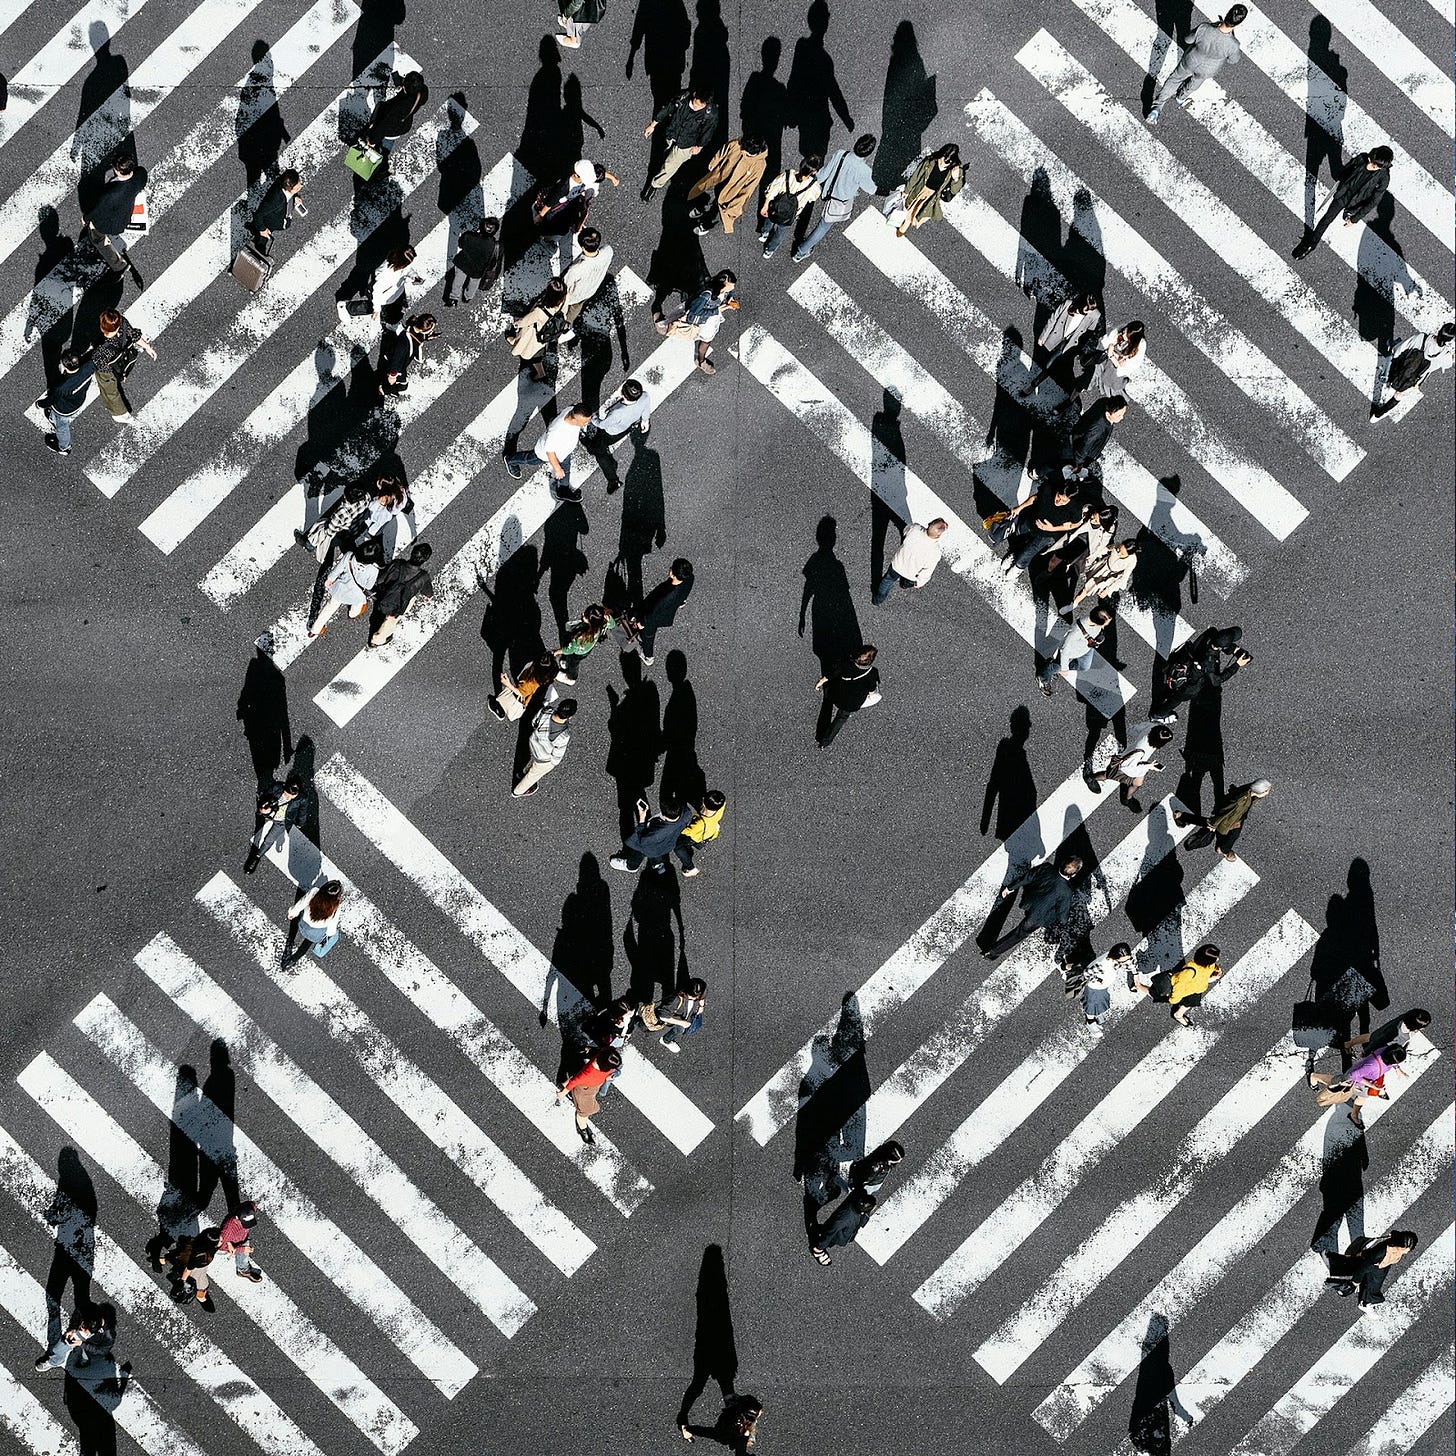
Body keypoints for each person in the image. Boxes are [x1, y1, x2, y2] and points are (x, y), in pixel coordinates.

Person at [1147, 6, 1246, 124]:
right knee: (1194, 83)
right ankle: (1181, 97)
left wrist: (1213, 25)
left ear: (1226, 15)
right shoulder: (1233, 45)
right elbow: (1233, 60)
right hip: (1207, 70)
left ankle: (1157, 107)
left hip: (1191, 60)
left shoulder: (1205, 28)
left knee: (1175, 79)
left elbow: (1188, 39)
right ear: (1237, 24)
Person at [1293, 146, 1394, 260]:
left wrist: (1355, 219)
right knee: (1327, 218)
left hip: (1357, 203)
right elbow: (1346, 169)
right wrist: (1341, 180)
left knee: (1348, 215)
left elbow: (1373, 202)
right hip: (1343, 196)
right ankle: (1311, 245)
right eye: (1370, 160)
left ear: (1382, 167)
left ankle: (1348, 213)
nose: (1369, 165)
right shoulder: (1362, 158)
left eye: (1374, 165)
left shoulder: (1384, 178)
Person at [982, 854, 1084, 962]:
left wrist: (1010, 888)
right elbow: (1062, 918)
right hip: (1038, 916)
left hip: (1030, 901)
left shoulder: (1046, 867)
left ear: (1062, 863)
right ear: (1073, 875)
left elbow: (1027, 877)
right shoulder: (1066, 892)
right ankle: (992, 952)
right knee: (1019, 934)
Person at [793, 133, 878, 262]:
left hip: (827, 192)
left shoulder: (841, 154)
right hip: (839, 202)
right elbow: (871, 190)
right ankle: (800, 252)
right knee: (823, 226)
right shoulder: (864, 170)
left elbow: (824, 174)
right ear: (868, 153)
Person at [1154, 625, 1251, 717]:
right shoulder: (1209, 663)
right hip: (1189, 685)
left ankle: (1163, 694)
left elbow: (1217, 643)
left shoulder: (1211, 632)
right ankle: (1159, 715)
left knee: (1170, 689)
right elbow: (1216, 680)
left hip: (1184, 662)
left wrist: (1233, 650)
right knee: (1175, 699)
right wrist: (1237, 664)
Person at [656, 270, 739, 375]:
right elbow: (693, 315)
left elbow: (727, 294)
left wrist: (728, 301)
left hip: (711, 319)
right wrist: (717, 311)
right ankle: (659, 318)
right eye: (730, 286)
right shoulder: (706, 295)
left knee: (707, 340)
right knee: (702, 338)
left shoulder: (724, 291)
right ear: (721, 285)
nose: (732, 288)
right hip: (702, 320)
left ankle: (701, 360)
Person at [505, 402, 592, 500]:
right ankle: (510, 460)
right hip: (543, 454)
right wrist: (557, 469)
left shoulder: (571, 409)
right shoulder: (557, 431)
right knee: (530, 459)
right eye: (584, 422)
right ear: (574, 419)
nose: (587, 423)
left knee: (566, 468)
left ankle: (563, 490)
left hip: (563, 451)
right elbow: (549, 451)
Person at [642, 87, 719, 197]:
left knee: (670, 166)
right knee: (663, 153)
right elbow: (667, 109)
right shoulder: (682, 98)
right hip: (672, 133)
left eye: (701, 106)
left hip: (687, 144)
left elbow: (708, 132)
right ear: (694, 94)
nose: (697, 108)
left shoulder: (711, 114)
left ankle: (655, 184)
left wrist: (699, 147)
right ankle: (660, 166)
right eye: (696, 103)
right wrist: (652, 125)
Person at [1310, 1042, 1409, 1126]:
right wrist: (1372, 1086)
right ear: (1390, 1060)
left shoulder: (1386, 1050)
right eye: (1397, 1063)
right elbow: (1353, 1075)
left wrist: (1397, 1069)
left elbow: (1392, 1060)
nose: (1397, 1064)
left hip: (1364, 1083)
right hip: (1353, 1081)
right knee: (1334, 1082)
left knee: (1363, 1097)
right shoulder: (1372, 1065)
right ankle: (1314, 1076)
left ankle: (1354, 1115)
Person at [1371, 322, 1455, 420]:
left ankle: (1389, 383)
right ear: (1449, 340)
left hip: (1400, 368)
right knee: (1399, 395)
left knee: (1392, 371)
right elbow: (1449, 363)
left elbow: (1398, 350)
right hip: (1414, 380)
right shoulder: (1445, 356)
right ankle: (1377, 416)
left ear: (1440, 330)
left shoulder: (1421, 338)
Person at [686, 134, 769, 234]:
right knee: (707, 192)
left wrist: (735, 205)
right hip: (720, 176)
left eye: (745, 151)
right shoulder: (738, 144)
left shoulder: (759, 165)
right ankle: (700, 208)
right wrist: (714, 162)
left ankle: (705, 225)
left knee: (719, 209)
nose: (741, 151)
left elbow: (749, 188)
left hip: (733, 190)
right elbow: (723, 150)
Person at [1023, 293, 1103, 393]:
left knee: (1049, 365)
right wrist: (1043, 335)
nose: (1089, 311)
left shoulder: (1095, 315)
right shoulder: (1068, 305)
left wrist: (1078, 350)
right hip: (1055, 337)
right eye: (1088, 308)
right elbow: (1053, 319)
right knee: (1045, 359)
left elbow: (1087, 335)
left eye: (1092, 309)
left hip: (1068, 345)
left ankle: (1034, 383)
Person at [1003, 476, 1086, 572]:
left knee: (1028, 552)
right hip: (1031, 521)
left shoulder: (1075, 508)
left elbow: (1074, 524)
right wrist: (1019, 508)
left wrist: (1052, 528)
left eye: (1064, 501)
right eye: (1059, 496)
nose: (1059, 502)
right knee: (1018, 537)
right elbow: (1034, 498)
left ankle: (1018, 567)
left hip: (1046, 535)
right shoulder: (1049, 488)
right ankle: (1014, 553)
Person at [81, 154, 146, 276]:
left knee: (98, 239)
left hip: (109, 224)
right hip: (124, 217)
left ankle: (118, 265)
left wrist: (86, 218)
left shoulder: (111, 194)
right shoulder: (140, 174)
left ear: (118, 171)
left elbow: (98, 211)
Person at [1323, 1230, 1419, 1311]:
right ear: (1399, 1246)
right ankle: (1365, 1303)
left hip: (1382, 1264)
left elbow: (1395, 1233)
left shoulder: (1396, 1243)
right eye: (1406, 1249)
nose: (1407, 1251)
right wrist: (1355, 1282)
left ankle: (1333, 1262)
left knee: (1372, 1279)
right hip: (1376, 1263)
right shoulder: (1380, 1252)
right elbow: (1364, 1267)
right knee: (1370, 1279)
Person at [1088, 721, 1175, 810]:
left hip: (1138, 763)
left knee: (1137, 784)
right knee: (1109, 775)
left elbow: (1133, 730)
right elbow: (1127, 767)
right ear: (1158, 743)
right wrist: (1149, 766)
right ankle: (1091, 778)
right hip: (1130, 767)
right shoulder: (1140, 751)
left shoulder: (1153, 727)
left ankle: (1127, 799)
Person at [1176, 778, 1270, 861]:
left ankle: (1181, 816)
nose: (1268, 793)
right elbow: (1225, 812)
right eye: (1266, 791)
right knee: (1224, 832)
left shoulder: (1250, 791)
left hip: (1237, 817)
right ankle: (1223, 849)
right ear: (1258, 792)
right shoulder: (1240, 801)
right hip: (1229, 819)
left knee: (1228, 833)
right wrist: (1214, 824)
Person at [309, 534, 383, 637]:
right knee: (358, 605)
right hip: (356, 595)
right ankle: (352, 614)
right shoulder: (374, 570)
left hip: (340, 589)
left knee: (329, 607)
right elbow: (369, 586)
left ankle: (315, 629)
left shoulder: (349, 556)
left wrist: (330, 579)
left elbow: (337, 570)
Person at [90, 308, 157, 422]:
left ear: (102, 328)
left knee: (110, 390)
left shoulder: (102, 348)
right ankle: (118, 411)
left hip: (107, 369)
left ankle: (119, 413)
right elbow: (134, 335)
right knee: (110, 389)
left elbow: (100, 364)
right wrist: (147, 347)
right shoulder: (123, 324)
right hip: (121, 361)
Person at [884, 142, 964, 236]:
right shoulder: (930, 161)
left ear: (951, 162)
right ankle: (902, 229)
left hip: (932, 196)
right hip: (920, 190)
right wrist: (907, 191)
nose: (941, 163)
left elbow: (954, 190)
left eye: (945, 163)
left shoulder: (955, 171)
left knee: (921, 212)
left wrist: (956, 179)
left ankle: (909, 224)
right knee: (909, 211)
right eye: (941, 159)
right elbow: (916, 175)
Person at [625, 558, 694, 665]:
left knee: (648, 637)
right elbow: (685, 593)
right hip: (663, 611)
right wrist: (680, 601)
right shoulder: (689, 578)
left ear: (673, 575)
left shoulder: (667, 597)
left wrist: (642, 623)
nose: (670, 568)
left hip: (654, 617)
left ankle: (648, 657)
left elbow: (653, 614)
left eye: (672, 568)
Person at [1137, 942, 1223, 1026]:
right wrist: (1173, 1000)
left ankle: (1178, 1015)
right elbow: (1178, 987)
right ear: (1206, 961)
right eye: (1215, 958)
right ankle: (1139, 986)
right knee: (1155, 993)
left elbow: (1204, 975)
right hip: (1183, 991)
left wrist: (1214, 975)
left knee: (1188, 1003)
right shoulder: (1189, 972)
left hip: (1194, 990)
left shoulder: (1209, 965)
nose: (1218, 959)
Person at [1039, 603, 1114, 697]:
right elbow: (1064, 651)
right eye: (1106, 623)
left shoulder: (1094, 619)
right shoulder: (1075, 633)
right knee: (1059, 667)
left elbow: (1101, 621)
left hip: (1086, 648)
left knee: (1084, 667)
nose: (1106, 625)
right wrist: (1065, 669)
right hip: (1071, 653)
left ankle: (1056, 667)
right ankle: (1044, 677)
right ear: (1097, 623)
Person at [815, 645, 882, 748]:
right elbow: (872, 692)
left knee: (831, 695)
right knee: (841, 718)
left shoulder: (846, 664)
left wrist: (820, 682)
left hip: (838, 695)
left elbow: (831, 675)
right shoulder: (872, 673)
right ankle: (825, 742)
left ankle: (828, 698)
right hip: (852, 703)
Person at [611, 792, 697, 873]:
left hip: (651, 847)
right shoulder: (687, 813)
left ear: (664, 815)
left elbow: (641, 841)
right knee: (658, 849)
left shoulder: (657, 834)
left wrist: (641, 820)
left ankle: (631, 866)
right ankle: (658, 864)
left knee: (643, 851)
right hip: (669, 844)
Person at [368, 541, 434, 646]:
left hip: (383, 597)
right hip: (398, 608)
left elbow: (380, 580)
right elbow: (428, 592)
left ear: (412, 553)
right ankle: (376, 641)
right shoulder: (423, 577)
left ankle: (376, 638)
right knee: (391, 621)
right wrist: (428, 597)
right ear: (425, 560)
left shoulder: (397, 564)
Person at [514, 692, 578, 797]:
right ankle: (518, 791)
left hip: (533, 743)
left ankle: (522, 773)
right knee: (533, 775)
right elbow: (557, 755)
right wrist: (553, 763)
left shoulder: (547, 710)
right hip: (544, 757)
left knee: (533, 760)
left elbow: (534, 722)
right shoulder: (563, 736)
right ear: (569, 717)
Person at [507, 277, 570, 382]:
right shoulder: (564, 300)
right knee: (538, 353)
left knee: (532, 354)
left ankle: (540, 373)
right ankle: (540, 372)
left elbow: (525, 321)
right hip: (547, 334)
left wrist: (516, 324)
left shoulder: (540, 311)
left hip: (535, 337)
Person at [555, 1046, 622, 1144]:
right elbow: (574, 1081)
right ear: (604, 1067)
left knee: (577, 1076)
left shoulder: (607, 1053)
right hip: (584, 1090)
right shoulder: (589, 1073)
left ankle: (563, 1086)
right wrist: (562, 1093)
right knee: (584, 1111)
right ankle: (582, 1128)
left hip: (592, 1084)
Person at [534, 158, 619, 235]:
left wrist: (612, 178)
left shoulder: (583, 172)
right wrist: (540, 216)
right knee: (553, 222)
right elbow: (550, 203)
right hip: (556, 205)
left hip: (566, 200)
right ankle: (542, 231)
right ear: (577, 175)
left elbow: (598, 173)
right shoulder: (564, 188)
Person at [757, 156, 821, 258]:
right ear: (813, 172)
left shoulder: (787, 175)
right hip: (789, 215)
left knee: (770, 219)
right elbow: (812, 198)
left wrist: (765, 206)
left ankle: (765, 233)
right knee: (780, 232)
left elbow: (771, 191)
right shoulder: (814, 187)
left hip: (776, 207)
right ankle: (769, 251)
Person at [874, 518, 947, 604]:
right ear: (938, 535)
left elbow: (905, 530)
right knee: (908, 582)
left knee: (887, 581)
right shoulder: (935, 553)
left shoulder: (915, 529)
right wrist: (919, 583)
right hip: (911, 574)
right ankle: (904, 585)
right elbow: (927, 571)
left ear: (929, 524)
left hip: (897, 565)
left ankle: (878, 600)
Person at [244, 772, 305, 873]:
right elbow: (264, 795)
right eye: (286, 795)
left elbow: (302, 812)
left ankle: (257, 857)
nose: (288, 798)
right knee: (260, 819)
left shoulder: (302, 799)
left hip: (282, 821)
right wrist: (264, 807)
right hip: (271, 813)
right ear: (285, 786)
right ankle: (263, 815)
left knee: (269, 840)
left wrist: (300, 823)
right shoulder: (277, 787)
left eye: (291, 797)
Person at [33, 1302, 117, 1372]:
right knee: (61, 1346)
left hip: (91, 1345)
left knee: (87, 1354)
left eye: (84, 1329)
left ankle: (85, 1360)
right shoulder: (89, 1308)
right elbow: (77, 1314)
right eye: (82, 1326)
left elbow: (102, 1350)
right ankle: (55, 1361)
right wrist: (73, 1328)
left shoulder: (108, 1335)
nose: (81, 1329)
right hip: (84, 1339)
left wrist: (82, 1344)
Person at [360, 69, 428, 156]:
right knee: (389, 140)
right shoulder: (422, 91)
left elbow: (384, 125)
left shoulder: (400, 107)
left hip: (392, 128)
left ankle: (381, 157)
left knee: (385, 139)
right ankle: (384, 154)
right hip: (403, 125)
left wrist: (372, 141)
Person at [42, 350, 96, 456]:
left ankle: (64, 447)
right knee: (57, 419)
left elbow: (52, 400)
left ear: (65, 366)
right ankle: (53, 418)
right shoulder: (89, 367)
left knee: (62, 427)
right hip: (78, 400)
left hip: (63, 409)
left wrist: (40, 404)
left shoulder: (62, 386)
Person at [1065, 942, 1134, 1027]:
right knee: (1092, 1004)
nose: (1126, 962)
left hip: (1102, 988)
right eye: (1124, 960)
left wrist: (1135, 974)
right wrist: (1097, 979)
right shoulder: (1102, 965)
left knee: (1100, 1001)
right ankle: (1090, 1021)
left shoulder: (1116, 959)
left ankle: (1097, 1013)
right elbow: (1086, 974)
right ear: (1115, 958)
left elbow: (1129, 963)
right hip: (1094, 988)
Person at [443, 216, 502, 307]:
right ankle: (468, 297)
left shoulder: (468, 236)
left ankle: (454, 297)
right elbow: (494, 261)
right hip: (478, 270)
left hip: (463, 263)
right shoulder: (495, 246)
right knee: (473, 283)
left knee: (458, 280)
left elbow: (461, 244)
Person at [560, 227, 614, 326]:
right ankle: (568, 323)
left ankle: (559, 322)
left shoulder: (576, 269)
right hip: (591, 290)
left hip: (573, 295)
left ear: (583, 248)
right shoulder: (608, 250)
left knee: (564, 307)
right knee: (576, 308)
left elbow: (565, 286)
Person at [354, 245, 415, 331]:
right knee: (372, 308)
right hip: (385, 297)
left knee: (394, 309)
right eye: (406, 264)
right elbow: (376, 292)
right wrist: (376, 310)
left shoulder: (399, 265)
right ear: (401, 263)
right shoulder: (386, 275)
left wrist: (414, 276)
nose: (407, 266)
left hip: (395, 293)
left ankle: (392, 321)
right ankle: (348, 307)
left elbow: (408, 269)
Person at [1068, 538, 1138, 613]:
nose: (1119, 553)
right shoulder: (1116, 545)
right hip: (1101, 566)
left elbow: (1124, 579)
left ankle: (1073, 604)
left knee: (1087, 589)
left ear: (1130, 554)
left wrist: (1108, 590)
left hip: (1108, 576)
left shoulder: (1132, 561)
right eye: (1118, 550)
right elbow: (1105, 550)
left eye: (1122, 554)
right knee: (1083, 573)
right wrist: (1093, 555)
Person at [639, 977, 708, 1052]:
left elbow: (700, 994)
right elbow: (662, 1015)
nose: (698, 999)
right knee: (680, 1029)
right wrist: (682, 1023)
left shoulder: (693, 989)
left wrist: (701, 1005)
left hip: (681, 1015)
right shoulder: (675, 1000)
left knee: (680, 1028)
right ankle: (666, 1040)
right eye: (697, 998)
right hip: (672, 1020)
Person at [810, 1187, 876, 1265]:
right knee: (830, 1235)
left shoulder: (859, 1198)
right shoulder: (842, 1220)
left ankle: (818, 1231)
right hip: (839, 1234)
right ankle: (817, 1249)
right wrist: (820, 1247)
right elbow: (830, 1233)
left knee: (831, 1232)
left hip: (847, 1230)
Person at [1066, 395, 1126, 478]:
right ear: (1108, 413)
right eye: (1119, 415)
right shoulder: (1098, 430)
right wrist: (1079, 465)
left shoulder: (1104, 401)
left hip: (1081, 430)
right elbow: (1084, 447)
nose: (1122, 418)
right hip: (1081, 444)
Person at [377, 311, 436, 396]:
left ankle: (386, 384)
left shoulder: (413, 328)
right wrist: (393, 375)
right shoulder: (404, 342)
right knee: (403, 386)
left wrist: (427, 336)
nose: (432, 331)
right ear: (422, 330)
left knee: (399, 382)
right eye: (430, 330)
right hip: (396, 366)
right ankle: (383, 390)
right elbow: (396, 359)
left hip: (401, 361)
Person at [555, 604, 616, 685]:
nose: (583, 615)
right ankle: (566, 662)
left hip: (578, 652)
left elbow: (569, 649)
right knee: (572, 660)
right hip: (586, 649)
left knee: (573, 664)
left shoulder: (581, 637)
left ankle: (570, 678)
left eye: (586, 617)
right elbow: (612, 625)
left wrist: (555, 652)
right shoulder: (602, 619)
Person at [490, 652, 559, 722]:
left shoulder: (530, 683)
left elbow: (520, 693)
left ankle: (499, 709)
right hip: (537, 696)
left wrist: (508, 684)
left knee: (509, 697)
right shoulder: (550, 674)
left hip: (526, 698)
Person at [680, 1393, 763, 1450]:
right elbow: (740, 1452)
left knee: (713, 1433)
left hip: (727, 1423)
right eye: (758, 1413)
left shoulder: (739, 1410)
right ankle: (687, 1429)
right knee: (713, 1434)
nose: (761, 1412)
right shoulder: (741, 1428)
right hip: (725, 1432)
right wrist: (744, 1441)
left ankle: (688, 1429)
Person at [1086, 322, 1146, 400]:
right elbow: (1107, 341)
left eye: (1126, 334)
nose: (1123, 334)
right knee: (1098, 366)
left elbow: (1122, 367)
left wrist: (1111, 354)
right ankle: (1091, 381)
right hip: (1113, 356)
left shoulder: (1139, 347)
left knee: (1111, 379)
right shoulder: (1122, 328)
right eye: (1124, 331)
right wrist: (1112, 353)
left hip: (1116, 366)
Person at [286, 879, 344, 960]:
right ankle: (294, 959)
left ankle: (289, 945)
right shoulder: (335, 909)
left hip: (303, 926)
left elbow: (299, 905)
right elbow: (331, 932)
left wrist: (291, 914)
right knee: (335, 935)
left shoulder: (314, 892)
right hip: (315, 935)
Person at [165, 1228, 220, 1313]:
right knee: (202, 1294)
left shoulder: (198, 1244)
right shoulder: (201, 1257)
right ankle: (202, 1298)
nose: (221, 1241)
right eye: (219, 1241)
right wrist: (182, 1282)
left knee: (177, 1260)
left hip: (188, 1264)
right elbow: (188, 1270)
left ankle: (160, 1260)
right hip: (196, 1275)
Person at [249, 169, 304, 252]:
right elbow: (259, 215)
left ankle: (258, 232)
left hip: (278, 213)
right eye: (296, 189)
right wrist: (262, 230)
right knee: (266, 234)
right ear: (288, 188)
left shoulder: (283, 183)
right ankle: (259, 244)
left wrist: (294, 196)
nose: (300, 187)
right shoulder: (275, 200)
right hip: (273, 220)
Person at [1344, 1007, 1432, 1058]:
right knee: (1371, 1040)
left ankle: (1348, 1044)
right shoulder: (1399, 1035)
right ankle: (1352, 1047)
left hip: (1383, 1031)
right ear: (1414, 1027)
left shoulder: (1406, 1017)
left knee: (1369, 1036)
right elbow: (1378, 1043)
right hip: (1381, 1045)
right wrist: (1366, 1052)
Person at [674, 791, 726, 877]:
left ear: (704, 804)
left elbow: (685, 831)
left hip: (697, 836)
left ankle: (690, 868)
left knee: (677, 847)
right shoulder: (721, 805)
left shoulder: (699, 822)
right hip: (711, 830)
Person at [588, 377, 652, 446]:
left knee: (601, 441)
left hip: (612, 431)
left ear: (622, 393)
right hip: (625, 426)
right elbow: (646, 409)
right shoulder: (645, 396)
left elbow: (602, 425)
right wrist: (645, 420)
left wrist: (593, 417)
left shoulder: (617, 413)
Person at [216, 1202, 264, 1283]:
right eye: (244, 1224)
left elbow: (253, 1204)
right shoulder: (228, 1230)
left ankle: (243, 1269)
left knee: (244, 1247)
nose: (248, 1226)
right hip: (226, 1247)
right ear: (237, 1218)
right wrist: (242, 1249)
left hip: (239, 1237)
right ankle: (243, 1271)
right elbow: (222, 1247)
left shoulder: (250, 1207)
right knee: (243, 1253)